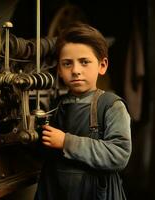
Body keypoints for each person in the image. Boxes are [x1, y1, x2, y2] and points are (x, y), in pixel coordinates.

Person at [34, 23, 132, 200]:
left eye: (84, 62)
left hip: (95, 193)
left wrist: (66, 142)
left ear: (102, 65)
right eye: (67, 64)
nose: (76, 71)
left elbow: (119, 155)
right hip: (57, 190)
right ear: (59, 70)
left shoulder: (111, 105)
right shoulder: (58, 105)